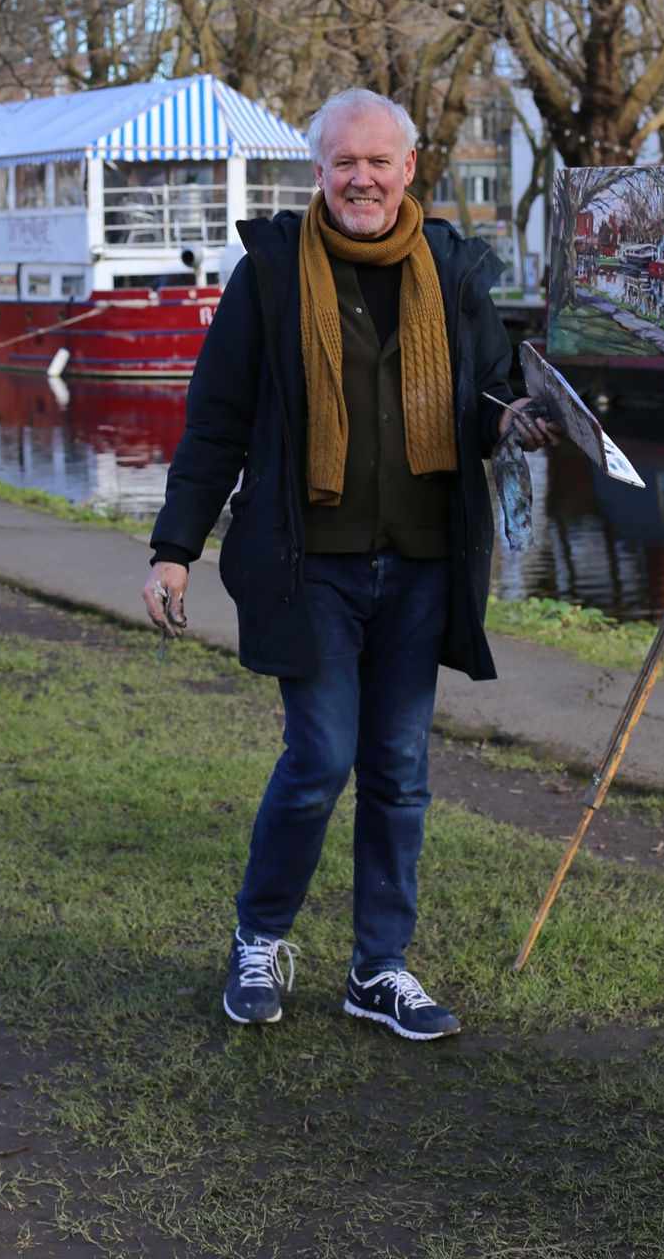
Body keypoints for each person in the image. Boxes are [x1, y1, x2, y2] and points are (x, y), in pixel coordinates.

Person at [141, 88, 558, 1040]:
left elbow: (486, 395)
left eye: (378, 161)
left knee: (400, 771)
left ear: (409, 169)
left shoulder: (453, 270)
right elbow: (216, 423)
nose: (361, 178)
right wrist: (174, 551)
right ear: (318, 171)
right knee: (319, 758)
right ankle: (259, 939)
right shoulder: (273, 273)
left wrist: (515, 421)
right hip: (307, 565)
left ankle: (379, 970)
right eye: (343, 163)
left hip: (419, 566)